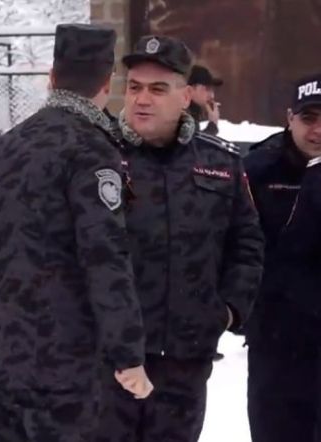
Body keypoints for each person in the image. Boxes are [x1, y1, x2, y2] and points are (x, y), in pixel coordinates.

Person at [0, 24, 151, 442]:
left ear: (52, 77)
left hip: (3, 353)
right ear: (108, 83)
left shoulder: (3, 148)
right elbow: (104, 256)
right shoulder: (91, 150)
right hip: (63, 362)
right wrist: (127, 352)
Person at [94, 35, 265, 442]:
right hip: (106, 359)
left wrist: (227, 311)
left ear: (186, 96)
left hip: (184, 360)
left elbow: (247, 243)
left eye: (158, 89)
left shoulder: (219, 163)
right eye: (134, 87)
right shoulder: (95, 155)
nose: (142, 100)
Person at [244, 73, 321, 442]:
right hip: (276, 338)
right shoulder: (259, 169)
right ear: (290, 118)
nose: (318, 130)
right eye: (309, 118)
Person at [187, 65, 222, 136]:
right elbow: (192, 142)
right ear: (191, 89)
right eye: (207, 89)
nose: (212, 96)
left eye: (212, 90)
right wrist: (212, 125)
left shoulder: (193, 113)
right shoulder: (182, 116)